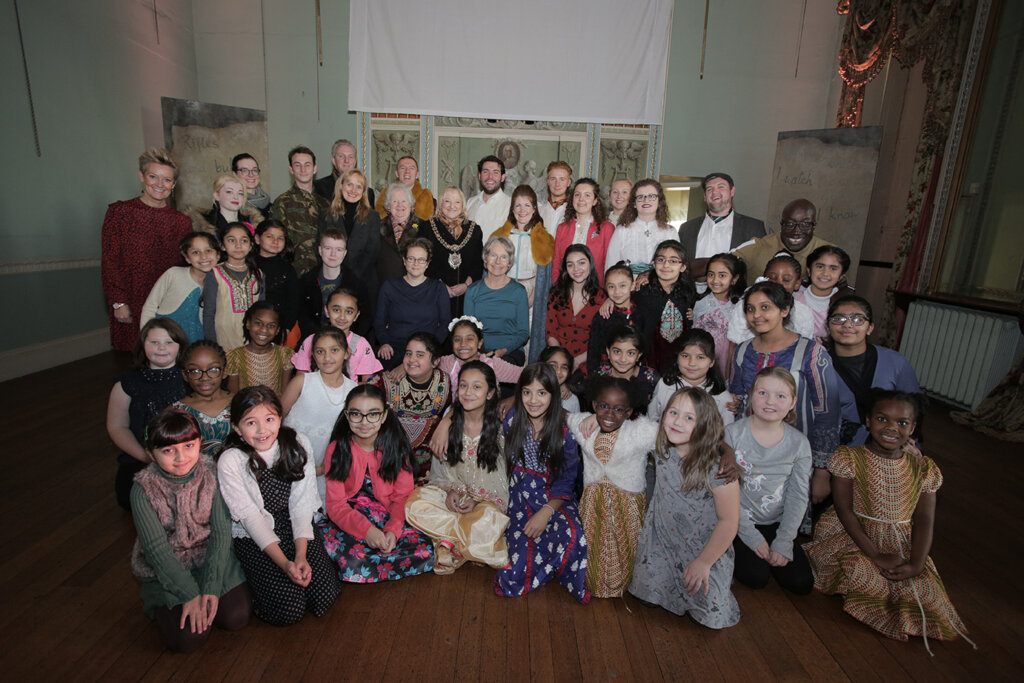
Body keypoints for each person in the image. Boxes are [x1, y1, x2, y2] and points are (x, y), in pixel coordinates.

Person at [804, 391, 973, 650]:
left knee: (924, 592)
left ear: (913, 428)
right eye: (883, 419)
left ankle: (908, 603)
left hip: (900, 539)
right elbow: (844, 509)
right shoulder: (849, 458)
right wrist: (875, 554)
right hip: (855, 533)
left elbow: (925, 519)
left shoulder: (923, 468)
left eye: (902, 423)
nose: (892, 428)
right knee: (864, 572)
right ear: (869, 421)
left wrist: (916, 563)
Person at [129, 409, 250, 653]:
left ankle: (212, 595)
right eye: (167, 450)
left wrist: (212, 587)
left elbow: (220, 534)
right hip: (169, 564)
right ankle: (166, 603)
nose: (180, 457)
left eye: (188, 446)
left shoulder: (212, 473)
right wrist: (190, 593)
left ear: (199, 444)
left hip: (209, 556)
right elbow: (157, 551)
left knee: (235, 617)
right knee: (187, 639)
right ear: (150, 454)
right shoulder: (142, 490)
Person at [217, 386, 340, 624]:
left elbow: (302, 504)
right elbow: (252, 519)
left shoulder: (297, 443)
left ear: (280, 419)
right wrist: (285, 564)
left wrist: (301, 554)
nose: (263, 430)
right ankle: (253, 583)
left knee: (323, 597)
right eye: (251, 423)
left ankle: (296, 568)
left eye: (270, 419)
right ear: (236, 428)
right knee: (288, 611)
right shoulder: (231, 460)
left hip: (295, 526)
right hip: (256, 537)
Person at [630, 387, 741, 628]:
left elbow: (729, 521)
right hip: (662, 542)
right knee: (645, 596)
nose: (678, 422)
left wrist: (704, 562)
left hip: (702, 549)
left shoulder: (719, 470)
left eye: (689, 418)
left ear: (705, 425)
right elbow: (625, 428)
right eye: (673, 412)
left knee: (710, 619)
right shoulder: (661, 448)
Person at [729, 281, 840, 505]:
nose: (756, 315)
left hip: (792, 456)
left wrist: (822, 471)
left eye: (765, 307)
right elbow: (737, 398)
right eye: (750, 309)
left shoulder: (810, 352)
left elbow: (828, 413)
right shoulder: (743, 351)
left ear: (785, 310)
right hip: (747, 453)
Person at [318, 385, 435, 582]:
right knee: (350, 558)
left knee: (426, 551)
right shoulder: (336, 449)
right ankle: (369, 563)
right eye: (356, 414)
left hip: (387, 513)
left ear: (383, 416)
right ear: (347, 415)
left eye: (373, 414)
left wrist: (392, 530)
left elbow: (402, 498)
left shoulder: (396, 449)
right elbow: (336, 505)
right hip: (350, 517)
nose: (364, 422)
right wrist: (367, 531)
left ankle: (376, 562)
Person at [495, 364, 590, 603]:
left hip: (552, 497)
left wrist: (546, 512)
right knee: (513, 573)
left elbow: (566, 481)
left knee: (574, 535)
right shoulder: (512, 420)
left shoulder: (564, 432)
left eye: (541, 393)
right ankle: (540, 562)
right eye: (527, 392)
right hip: (516, 498)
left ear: (553, 395)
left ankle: (551, 564)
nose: (533, 400)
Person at [405, 362, 509, 574]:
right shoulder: (449, 426)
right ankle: (463, 543)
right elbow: (440, 471)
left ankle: (446, 542)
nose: (468, 392)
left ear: (490, 393)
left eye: (476, 387)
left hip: (484, 502)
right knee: (415, 503)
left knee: (490, 519)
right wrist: (451, 491)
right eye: (463, 386)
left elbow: (499, 480)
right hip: (452, 496)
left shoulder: (499, 428)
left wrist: (476, 500)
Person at [728, 367, 814, 594]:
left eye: (780, 396)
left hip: (776, 523)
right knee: (756, 577)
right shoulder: (732, 434)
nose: (770, 401)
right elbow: (725, 493)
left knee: (801, 583)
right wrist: (751, 536)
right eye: (762, 393)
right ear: (751, 395)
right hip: (736, 521)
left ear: (793, 402)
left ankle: (776, 546)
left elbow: (798, 495)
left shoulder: (799, 443)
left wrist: (785, 540)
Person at [566, 376, 654, 598]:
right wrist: (510, 401)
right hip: (593, 505)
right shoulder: (584, 425)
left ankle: (630, 584)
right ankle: (595, 581)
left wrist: (726, 449)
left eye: (618, 409)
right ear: (594, 405)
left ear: (629, 412)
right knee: (595, 547)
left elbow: (677, 431)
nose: (609, 414)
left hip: (628, 506)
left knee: (628, 546)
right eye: (604, 406)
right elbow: (561, 414)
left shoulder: (639, 432)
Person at [102, 148, 193, 351]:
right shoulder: (120, 213)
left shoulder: (182, 222)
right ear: (142, 176)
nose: (160, 185)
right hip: (131, 301)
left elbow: (185, 267)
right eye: (153, 177)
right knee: (136, 361)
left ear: (174, 184)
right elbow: (110, 260)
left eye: (167, 180)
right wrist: (118, 302)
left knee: (169, 357)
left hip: (170, 303)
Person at [108, 318, 189, 510]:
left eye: (169, 342)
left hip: (184, 460)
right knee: (134, 500)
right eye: (154, 342)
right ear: (142, 345)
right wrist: (146, 457)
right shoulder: (126, 384)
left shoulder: (190, 380)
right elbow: (117, 426)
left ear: (180, 346)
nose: (161, 348)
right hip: (141, 459)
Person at [826, 296, 920, 446]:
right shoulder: (818, 364)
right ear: (828, 327)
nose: (848, 325)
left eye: (858, 319)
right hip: (839, 447)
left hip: (893, 444)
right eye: (839, 318)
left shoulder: (896, 362)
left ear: (870, 328)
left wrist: (910, 443)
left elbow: (915, 408)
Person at [282, 328, 358, 504]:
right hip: (292, 460)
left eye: (334, 350)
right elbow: (278, 418)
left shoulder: (353, 390)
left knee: (320, 512)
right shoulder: (302, 381)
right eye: (320, 351)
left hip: (327, 468)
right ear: (313, 356)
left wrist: (327, 467)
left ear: (346, 353)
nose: (327, 357)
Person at [377, 332, 452, 481]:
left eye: (420, 355)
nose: (412, 359)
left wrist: (446, 422)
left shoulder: (444, 382)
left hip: (431, 464)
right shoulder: (385, 382)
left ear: (435, 361)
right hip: (388, 459)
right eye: (408, 353)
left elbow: (460, 406)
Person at [491, 184, 554, 362]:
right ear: (512, 208)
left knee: (527, 334)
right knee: (505, 334)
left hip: (531, 290)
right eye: (518, 205)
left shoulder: (544, 238)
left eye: (527, 205)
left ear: (534, 208)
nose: (522, 210)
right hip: (505, 288)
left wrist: (532, 296)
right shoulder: (501, 235)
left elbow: (544, 275)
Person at [677, 172, 766, 288]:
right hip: (692, 297)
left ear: (732, 191)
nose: (715, 192)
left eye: (721, 187)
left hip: (735, 298)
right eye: (709, 189)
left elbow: (761, 268)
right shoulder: (686, 228)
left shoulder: (753, 227)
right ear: (704, 196)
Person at [375, 238, 451, 370]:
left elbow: (445, 324)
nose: (416, 263)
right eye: (411, 258)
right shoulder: (389, 286)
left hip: (426, 351)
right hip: (394, 349)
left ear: (428, 263)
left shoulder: (439, 288)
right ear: (404, 261)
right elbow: (379, 322)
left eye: (421, 259)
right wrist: (384, 342)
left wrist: (430, 349)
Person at [733, 198, 835, 286]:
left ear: (814, 226)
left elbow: (842, 285)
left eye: (804, 224)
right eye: (790, 224)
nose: (796, 231)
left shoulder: (829, 253)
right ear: (782, 225)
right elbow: (721, 264)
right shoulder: (758, 247)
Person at [633, 240, 698, 374]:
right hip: (649, 355)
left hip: (678, 355)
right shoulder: (642, 291)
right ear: (654, 264)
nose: (666, 265)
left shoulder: (687, 291)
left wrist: (690, 317)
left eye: (673, 261)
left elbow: (687, 321)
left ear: (683, 267)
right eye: (661, 260)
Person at [141, 231, 219, 343]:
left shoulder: (219, 282)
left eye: (208, 250)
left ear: (218, 255)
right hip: (166, 338)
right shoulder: (173, 274)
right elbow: (150, 307)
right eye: (196, 252)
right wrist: (147, 339)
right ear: (187, 257)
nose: (203, 256)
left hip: (197, 341)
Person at [321, 169, 382, 311]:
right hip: (333, 279)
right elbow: (322, 247)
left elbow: (372, 251)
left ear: (363, 191)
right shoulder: (327, 215)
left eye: (359, 186)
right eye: (349, 184)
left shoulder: (373, 217)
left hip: (364, 280)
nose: (353, 190)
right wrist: (339, 276)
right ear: (341, 186)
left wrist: (350, 278)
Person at [293, 287, 382, 382]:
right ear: (326, 311)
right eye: (336, 310)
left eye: (349, 312)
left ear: (356, 315)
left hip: (348, 395)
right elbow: (300, 376)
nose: (342, 317)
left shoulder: (361, 344)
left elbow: (367, 381)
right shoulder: (311, 340)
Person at [464, 235, 530, 364]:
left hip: (510, 353)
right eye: (493, 255)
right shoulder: (472, 290)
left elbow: (523, 333)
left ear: (509, 263)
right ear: (485, 259)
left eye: (504, 257)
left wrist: (503, 351)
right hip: (479, 352)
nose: (498, 262)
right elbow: (468, 330)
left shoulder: (519, 291)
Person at [296, 228, 371, 340]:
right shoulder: (306, 281)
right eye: (328, 248)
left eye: (339, 250)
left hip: (347, 341)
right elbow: (303, 317)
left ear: (345, 253)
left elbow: (364, 320)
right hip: (314, 340)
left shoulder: (357, 285)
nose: (333, 254)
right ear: (320, 250)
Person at [421, 186, 484, 317]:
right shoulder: (427, 227)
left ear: (463, 205)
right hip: (434, 293)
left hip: (466, 296)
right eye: (447, 201)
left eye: (457, 202)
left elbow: (478, 264)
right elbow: (423, 261)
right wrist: (440, 286)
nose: (452, 206)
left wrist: (466, 285)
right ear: (440, 203)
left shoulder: (474, 230)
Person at [650, 328, 734, 426]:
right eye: (685, 356)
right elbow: (652, 420)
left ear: (711, 361)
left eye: (700, 357)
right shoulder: (664, 385)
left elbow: (726, 435)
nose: (692, 363)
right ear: (677, 358)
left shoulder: (723, 398)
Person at [201, 222, 263, 351]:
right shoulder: (215, 273)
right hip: (223, 339)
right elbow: (208, 313)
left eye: (244, 240)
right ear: (222, 246)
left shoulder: (258, 274)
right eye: (231, 240)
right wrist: (213, 345)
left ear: (251, 245)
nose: (238, 245)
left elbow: (262, 311)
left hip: (252, 339)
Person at [270, 146, 331, 275]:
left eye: (307, 165)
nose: (303, 169)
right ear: (291, 169)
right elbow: (275, 240)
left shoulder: (325, 204)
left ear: (314, 169)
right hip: (293, 272)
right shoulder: (282, 202)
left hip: (322, 271)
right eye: (297, 165)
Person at [546, 245, 606, 372]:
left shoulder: (602, 298)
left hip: (588, 359)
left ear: (590, 264)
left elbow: (602, 339)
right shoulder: (556, 293)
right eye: (570, 265)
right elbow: (551, 332)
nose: (576, 269)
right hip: (559, 357)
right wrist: (562, 361)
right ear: (565, 268)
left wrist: (577, 361)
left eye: (581, 263)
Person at [172, 340, 234, 458]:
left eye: (213, 369)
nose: (204, 377)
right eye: (195, 371)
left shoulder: (241, 403)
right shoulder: (175, 412)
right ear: (185, 375)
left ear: (225, 371)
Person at [605, 179, 678, 275]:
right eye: (640, 197)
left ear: (659, 201)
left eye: (651, 196)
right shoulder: (621, 231)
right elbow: (611, 268)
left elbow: (676, 266)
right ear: (634, 203)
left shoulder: (670, 232)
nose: (646, 200)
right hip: (629, 287)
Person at [552, 178, 615, 285]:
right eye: (577, 195)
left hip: (596, 290)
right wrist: (557, 289)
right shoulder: (562, 228)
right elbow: (556, 263)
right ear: (572, 199)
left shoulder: (607, 228)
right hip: (566, 290)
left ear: (595, 201)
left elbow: (609, 265)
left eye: (587, 195)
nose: (581, 199)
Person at [692, 252, 746, 372]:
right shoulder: (699, 302)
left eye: (722, 275)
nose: (715, 280)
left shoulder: (739, 306)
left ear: (734, 279)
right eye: (711, 274)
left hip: (726, 360)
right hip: (699, 357)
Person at [586, 324, 660, 411]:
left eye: (630, 353)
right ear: (608, 352)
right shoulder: (599, 375)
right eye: (617, 352)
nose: (623, 359)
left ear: (638, 355)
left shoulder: (650, 378)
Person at [226, 302, 294, 395]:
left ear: (277, 330)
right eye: (258, 323)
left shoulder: (285, 355)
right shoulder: (235, 356)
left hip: (276, 408)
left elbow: (285, 393)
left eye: (271, 326)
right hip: (246, 408)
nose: (264, 330)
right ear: (248, 324)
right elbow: (233, 396)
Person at [437, 316, 524, 388]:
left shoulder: (492, 364)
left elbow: (528, 376)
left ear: (479, 343)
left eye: (469, 339)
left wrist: (513, 399)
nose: (463, 344)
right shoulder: (446, 363)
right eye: (457, 340)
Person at [588, 262, 643, 373]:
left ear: (632, 286)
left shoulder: (641, 313)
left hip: (634, 372)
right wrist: (593, 377)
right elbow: (593, 350)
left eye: (622, 285)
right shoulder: (603, 316)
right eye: (611, 286)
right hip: (607, 374)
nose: (617, 291)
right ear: (606, 289)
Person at [253, 219, 300, 347]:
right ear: (257, 239)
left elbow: (293, 302)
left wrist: (287, 328)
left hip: (279, 327)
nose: (275, 241)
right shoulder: (249, 265)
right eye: (270, 236)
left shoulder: (288, 269)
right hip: (253, 326)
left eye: (280, 238)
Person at [794, 245, 853, 339]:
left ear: (841, 276)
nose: (825, 273)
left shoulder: (846, 304)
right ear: (809, 271)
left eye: (833, 268)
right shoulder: (794, 300)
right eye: (820, 267)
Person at [377, 182, 426, 285]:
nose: (399, 205)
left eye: (404, 201)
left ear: (410, 204)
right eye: (395, 201)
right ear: (388, 205)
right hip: (385, 287)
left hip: (415, 288)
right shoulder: (377, 226)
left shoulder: (424, 226)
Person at [188, 173, 262, 236]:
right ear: (216, 195)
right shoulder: (203, 223)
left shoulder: (253, 223)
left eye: (240, 193)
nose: (235, 197)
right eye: (229, 192)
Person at [314, 139, 375, 207]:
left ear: (355, 161)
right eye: (341, 156)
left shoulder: (368, 193)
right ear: (334, 161)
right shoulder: (318, 187)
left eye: (350, 157)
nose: (346, 160)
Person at [465, 155, 512, 241]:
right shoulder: (470, 203)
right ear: (479, 176)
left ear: (502, 177)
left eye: (495, 172)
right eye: (486, 172)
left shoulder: (510, 206)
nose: (490, 177)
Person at [373, 155, 434, 220]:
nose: (407, 172)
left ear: (417, 175)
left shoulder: (425, 194)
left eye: (411, 168)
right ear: (397, 174)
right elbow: (380, 219)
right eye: (402, 168)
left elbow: (424, 222)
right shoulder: (385, 193)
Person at [539, 346, 580, 413]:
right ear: (541, 366)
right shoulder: (531, 393)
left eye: (564, 367)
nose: (558, 371)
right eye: (553, 365)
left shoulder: (571, 400)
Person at [538, 161, 572, 237]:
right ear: (548, 181)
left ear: (568, 182)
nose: (557, 184)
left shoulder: (574, 213)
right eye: (553, 179)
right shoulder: (538, 212)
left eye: (562, 179)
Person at [233, 153, 272, 218]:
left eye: (254, 170)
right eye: (244, 170)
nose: (251, 175)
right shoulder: (232, 206)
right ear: (234, 174)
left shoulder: (272, 207)